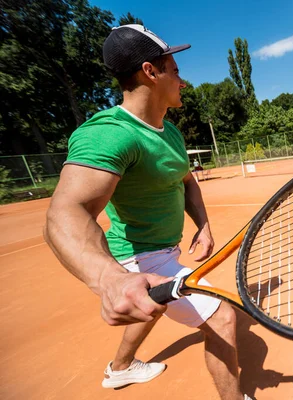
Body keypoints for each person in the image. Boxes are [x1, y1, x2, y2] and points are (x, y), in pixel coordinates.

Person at [44, 24, 247, 400]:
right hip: (137, 258)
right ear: (150, 72)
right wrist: (110, 278)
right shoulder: (110, 133)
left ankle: (120, 369)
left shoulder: (169, 132)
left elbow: (186, 181)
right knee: (222, 317)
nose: (182, 81)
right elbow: (64, 213)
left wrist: (202, 225)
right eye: (176, 70)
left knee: (150, 306)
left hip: (164, 250)